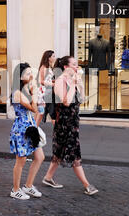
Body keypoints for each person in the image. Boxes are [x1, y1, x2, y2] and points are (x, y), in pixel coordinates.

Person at [42, 56, 98, 196]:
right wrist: (73, 83)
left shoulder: (72, 80)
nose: (76, 66)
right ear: (66, 67)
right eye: (74, 64)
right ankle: (87, 185)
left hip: (73, 122)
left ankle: (48, 178)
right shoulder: (61, 80)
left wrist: (80, 84)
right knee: (74, 154)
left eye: (77, 64)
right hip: (64, 124)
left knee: (60, 152)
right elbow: (66, 102)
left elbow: (82, 99)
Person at [9, 62, 45, 200]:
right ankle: (15, 189)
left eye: (31, 72)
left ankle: (28, 186)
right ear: (20, 76)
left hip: (30, 126)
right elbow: (34, 108)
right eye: (28, 73)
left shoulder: (25, 89)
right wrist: (34, 90)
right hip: (21, 129)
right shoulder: (17, 93)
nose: (31, 76)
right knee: (21, 161)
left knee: (40, 157)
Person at [35, 50, 56, 126]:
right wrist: (53, 84)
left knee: (41, 112)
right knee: (41, 112)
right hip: (44, 92)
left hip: (47, 92)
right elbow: (41, 81)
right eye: (53, 56)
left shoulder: (49, 67)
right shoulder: (44, 67)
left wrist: (53, 82)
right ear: (48, 58)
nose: (54, 57)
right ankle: (34, 129)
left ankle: (34, 128)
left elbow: (48, 79)